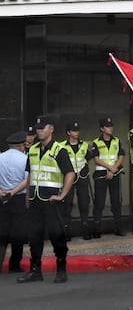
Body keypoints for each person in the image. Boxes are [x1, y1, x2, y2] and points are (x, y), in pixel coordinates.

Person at [18, 115, 76, 284]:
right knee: (34, 236)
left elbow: (70, 173)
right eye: (38, 128)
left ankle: (61, 270)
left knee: (57, 235)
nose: (39, 131)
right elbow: (30, 175)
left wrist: (62, 195)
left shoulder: (59, 150)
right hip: (35, 200)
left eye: (43, 128)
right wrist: (28, 196)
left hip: (51, 200)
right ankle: (35, 270)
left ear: (51, 129)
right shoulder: (33, 149)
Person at [91, 117, 126, 238]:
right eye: (107, 126)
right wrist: (109, 168)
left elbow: (121, 156)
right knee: (99, 203)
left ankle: (118, 228)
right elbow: (96, 159)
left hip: (114, 174)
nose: (110, 128)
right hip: (101, 174)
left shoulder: (117, 141)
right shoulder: (96, 142)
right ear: (102, 128)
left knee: (116, 202)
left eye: (111, 126)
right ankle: (96, 230)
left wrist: (113, 168)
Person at [0, 131, 29, 273]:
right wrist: (14, 191)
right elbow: (27, 181)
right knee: (18, 232)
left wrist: (2, 192)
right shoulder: (24, 159)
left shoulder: (0, 157)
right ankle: (14, 265)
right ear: (20, 146)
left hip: (2, 198)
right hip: (18, 199)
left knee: (2, 232)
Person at [59, 122, 93, 241]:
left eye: (77, 130)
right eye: (74, 130)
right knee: (67, 203)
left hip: (82, 177)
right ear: (68, 132)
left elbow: (88, 158)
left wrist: (84, 170)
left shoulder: (84, 145)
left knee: (84, 203)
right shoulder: (62, 146)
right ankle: (66, 230)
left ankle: (85, 229)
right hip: (68, 178)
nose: (77, 132)